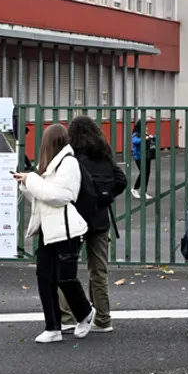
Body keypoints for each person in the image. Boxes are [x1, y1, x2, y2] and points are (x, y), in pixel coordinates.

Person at [17, 123, 95, 344]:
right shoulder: (51, 166)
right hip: (49, 231)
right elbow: (44, 200)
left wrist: (31, 180)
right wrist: (27, 185)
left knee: (65, 278)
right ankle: (52, 327)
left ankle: (86, 313)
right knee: (45, 278)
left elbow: (60, 197)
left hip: (67, 232)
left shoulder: (69, 163)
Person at [59, 116, 128, 333]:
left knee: (66, 269)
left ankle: (68, 317)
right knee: (99, 271)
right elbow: (121, 181)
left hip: (75, 220)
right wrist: (103, 198)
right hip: (100, 221)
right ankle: (103, 319)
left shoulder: (71, 159)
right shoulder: (104, 156)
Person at [131, 119, 157, 201]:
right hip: (139, 157)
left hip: (147, 156)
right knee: (143, 172)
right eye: (145, 126)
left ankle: (144, 192)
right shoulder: (136, 134)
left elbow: (154, 139)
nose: (146, 127)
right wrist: (144, 138)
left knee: (147, 173)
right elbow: (135, 141)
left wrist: (152, 137)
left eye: (146, 126)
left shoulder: (145, 134)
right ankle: (135, 188)